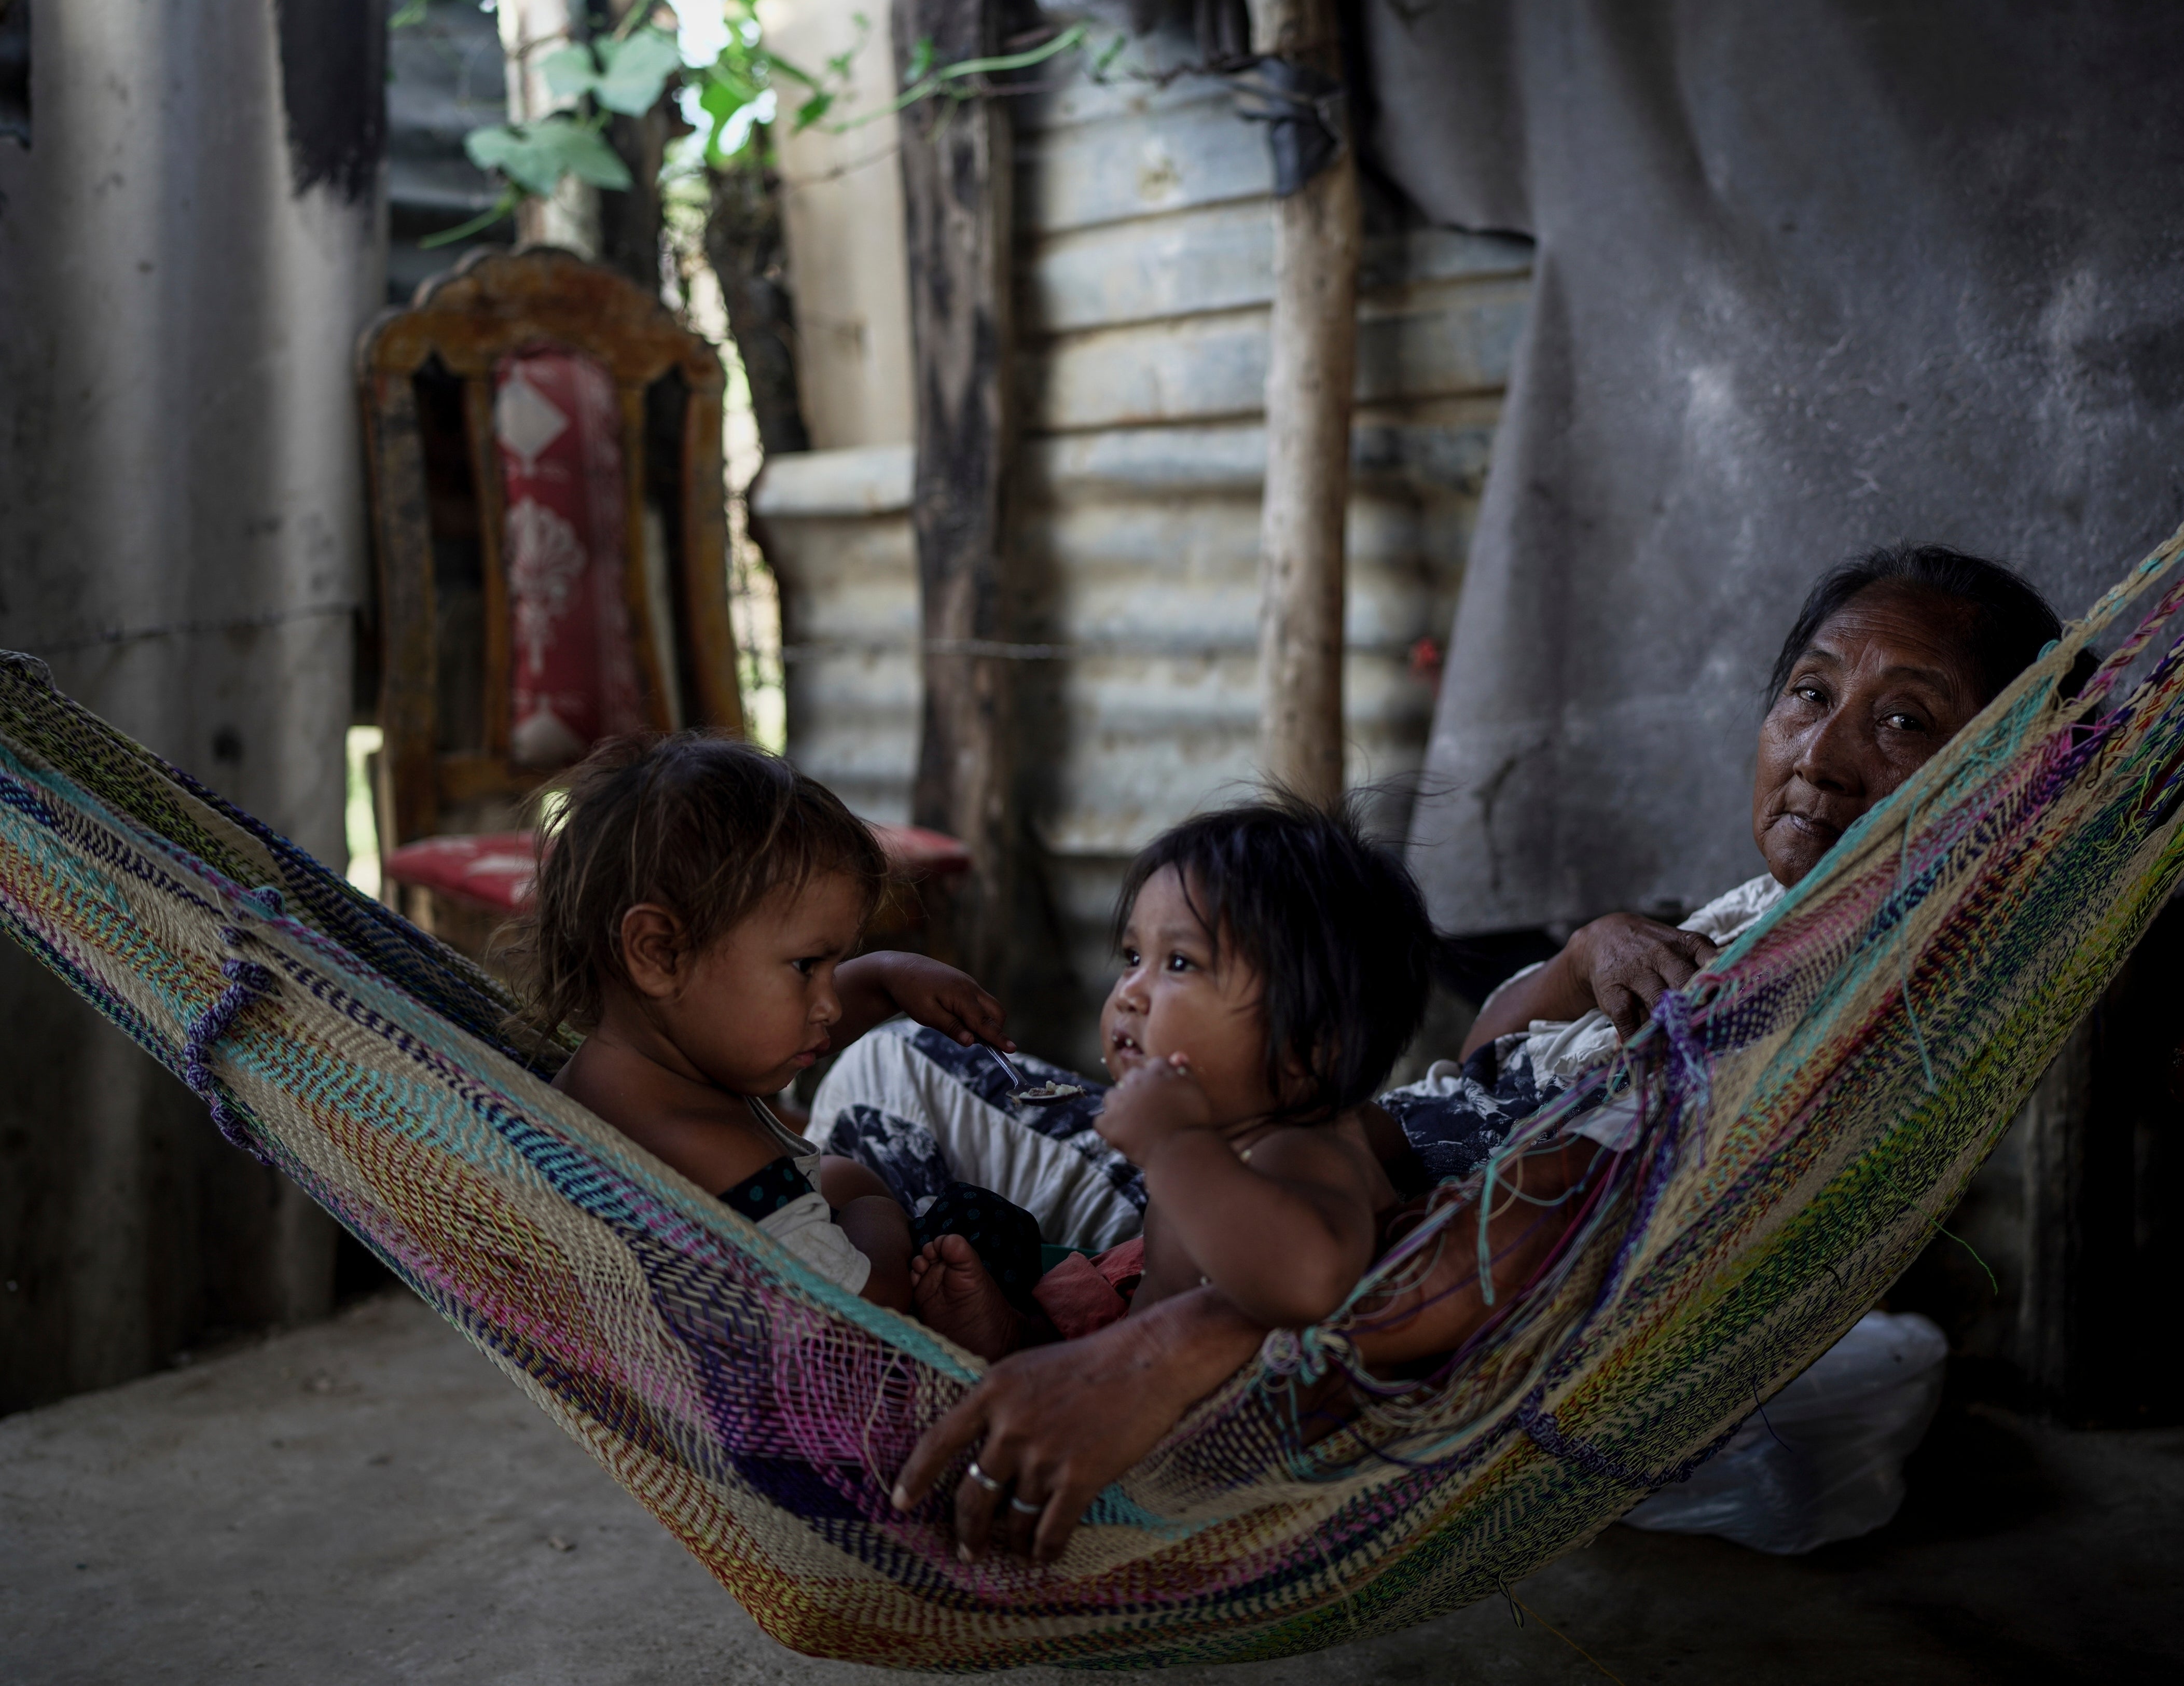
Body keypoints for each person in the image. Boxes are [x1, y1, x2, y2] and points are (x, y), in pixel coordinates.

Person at [864, 544, 2071, 1563]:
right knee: (890, 1068)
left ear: (2000, 778)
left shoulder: (1853, 1014)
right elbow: (1493, 1060)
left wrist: (1162, 1347)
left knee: (892, 1095)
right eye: (1810, 695)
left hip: (1330, 1254)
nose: (1823, 753)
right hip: (1325, 1169)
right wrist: (1583, 952)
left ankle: (1019, 1345)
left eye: (1905, 719)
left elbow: (1551, 1231)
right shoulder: (1755, 910)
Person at [508, 733, 1026, 1347]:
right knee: (982, 1226)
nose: (829, 1003)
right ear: (658, 952)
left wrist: (888, 979)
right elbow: (864, 1307)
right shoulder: (713, 1152)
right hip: (851, 1379)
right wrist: (872, 1205)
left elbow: (780, 1032)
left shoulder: (625, 1080)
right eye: (806, 966)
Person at [918, 795, 1438, 1360]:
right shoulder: (1219, 1143)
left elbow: (1308, 1285)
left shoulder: (1304, 1151)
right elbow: (1152, 1316)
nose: (1129, 994)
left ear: (1305, 1042)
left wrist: (1172, 1144)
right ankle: (1025, 1341)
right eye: (1133, 956)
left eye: (1180, 964)